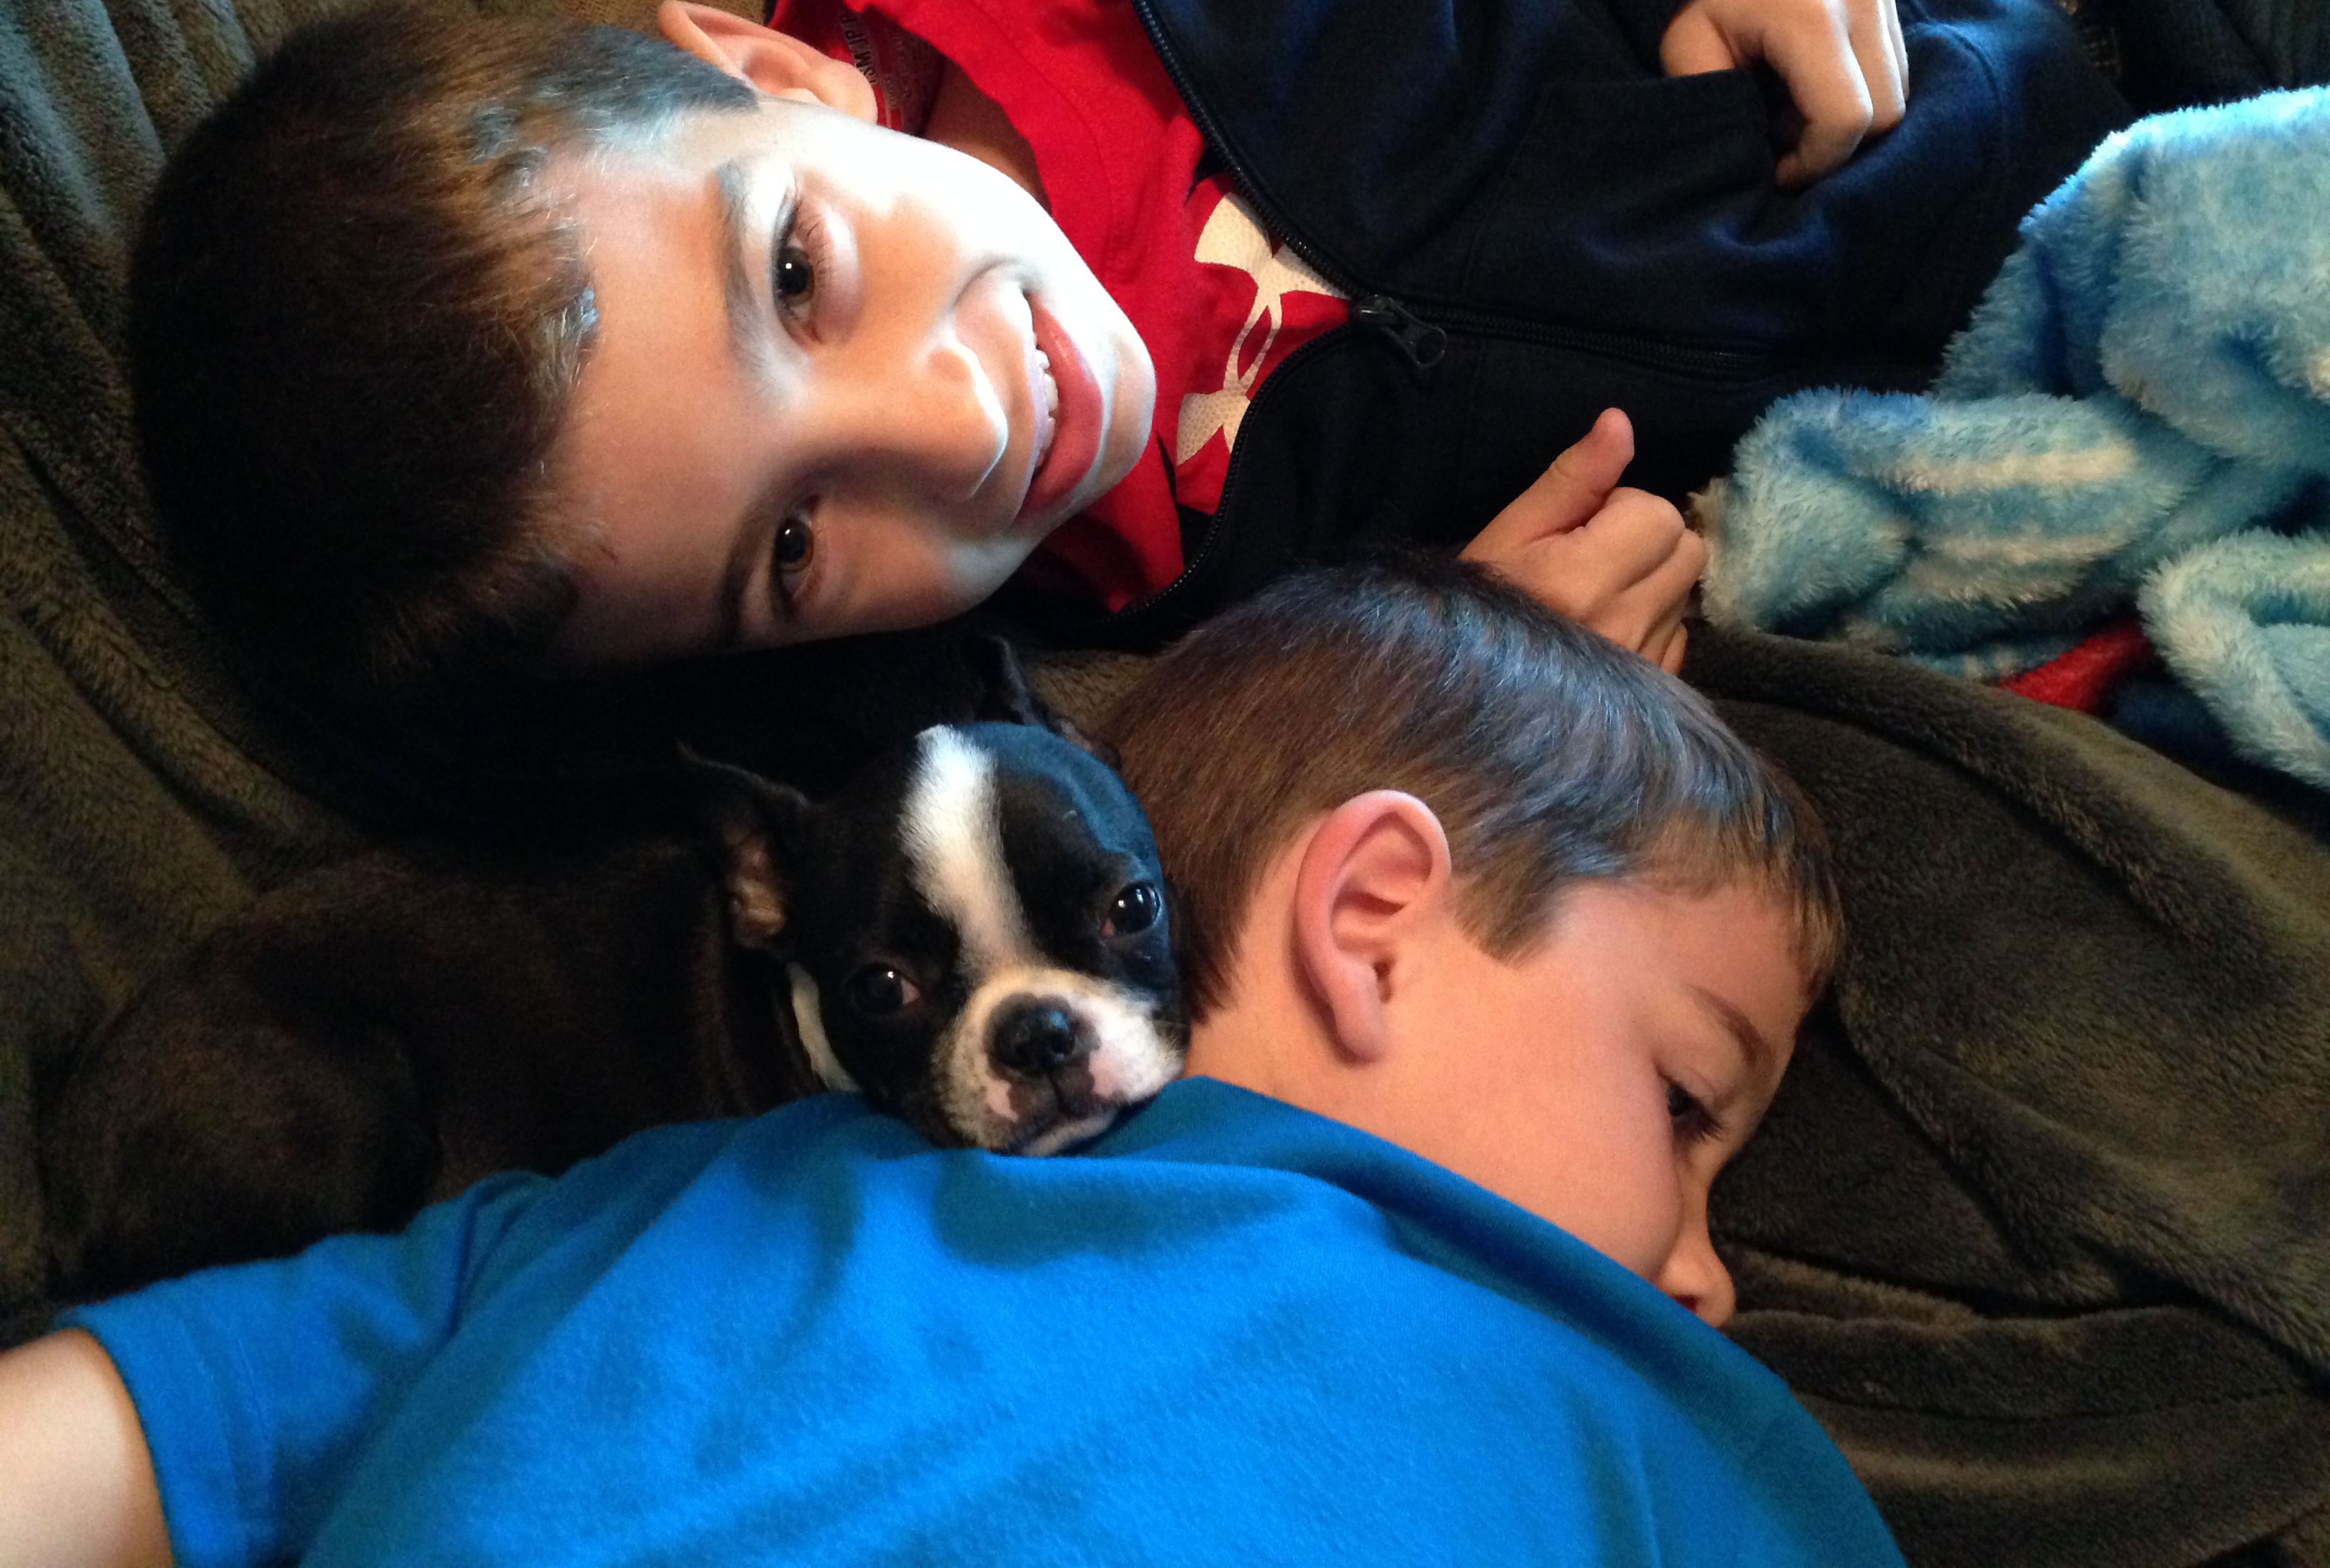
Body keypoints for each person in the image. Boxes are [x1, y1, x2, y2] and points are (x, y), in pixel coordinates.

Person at [138, 0, 2330, 717]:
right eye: (793, 547)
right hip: (2083, 415)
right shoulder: (1112, 657)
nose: (959, 430)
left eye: (797, 276)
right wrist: (1474, 667)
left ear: (770, 71)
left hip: (2125, 1)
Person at [0, 555, 1894, 1566]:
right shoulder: (681, 1188)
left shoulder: (1654, 1423)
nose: (1709, 1272)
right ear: (1373, 911)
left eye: (1116, 920)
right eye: (1682, 1103)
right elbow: (157, 1417)